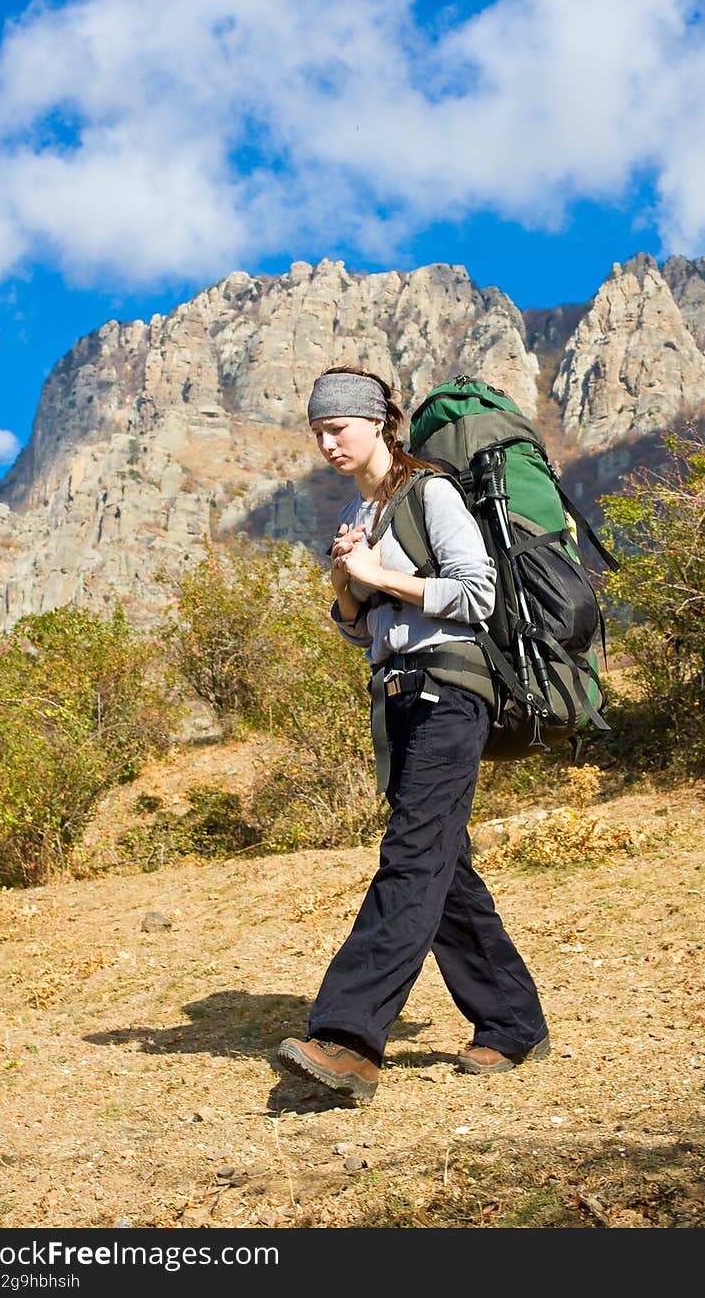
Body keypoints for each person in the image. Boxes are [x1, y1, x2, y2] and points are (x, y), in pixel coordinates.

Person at [278, 366, 549, 1103]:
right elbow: (363, 630)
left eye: (338, 428)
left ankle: (348, 1039)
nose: (328, 442)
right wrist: (346, 586)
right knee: (442, 866)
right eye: (317, 432)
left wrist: (380, 575)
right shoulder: (360, 514)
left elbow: (476, 590)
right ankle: (513, 1022)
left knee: (409, 858)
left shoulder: (430, 492)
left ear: (376, 423)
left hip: (450, 693)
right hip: (396, 699)